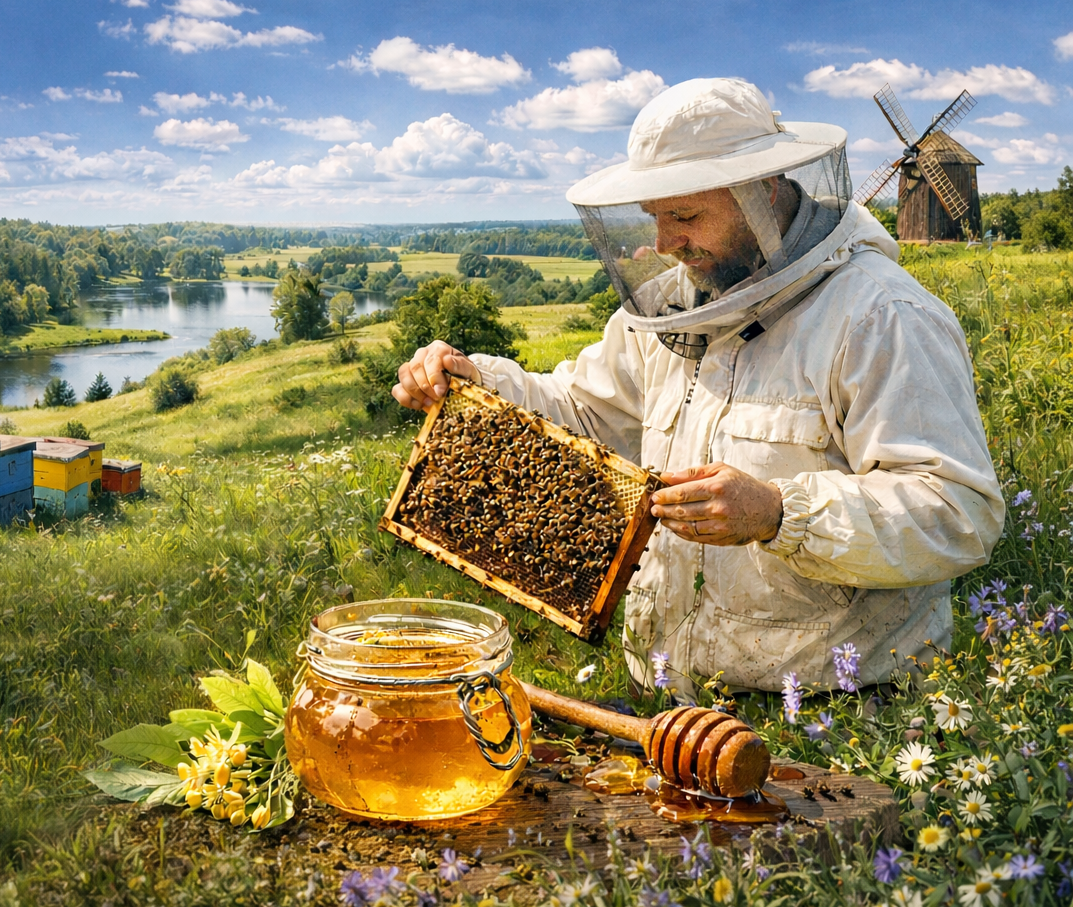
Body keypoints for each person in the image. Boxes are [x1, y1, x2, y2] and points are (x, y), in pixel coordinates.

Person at [392, 77, 1003, 696]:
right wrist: (480, 383)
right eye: (654, 218)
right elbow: (584, 413)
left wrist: (779, 513)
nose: (664, 244)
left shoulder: (881, 317)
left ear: (762, 191)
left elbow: (958, 512)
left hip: (828, 717)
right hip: (667, 701)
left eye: (684, 216)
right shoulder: (669, 310)